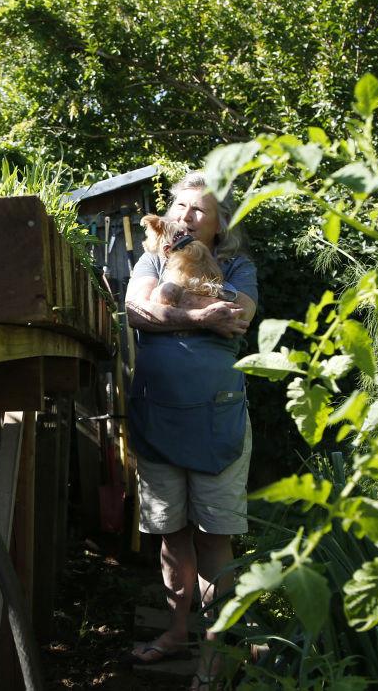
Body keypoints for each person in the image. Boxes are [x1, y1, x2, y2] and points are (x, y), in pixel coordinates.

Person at [123, 172, 258, 690]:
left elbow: (238, 319)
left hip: (216, 416)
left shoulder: (239, 266)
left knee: (214, 539)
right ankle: (177, 633)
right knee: (170, 536)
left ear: (221, 223)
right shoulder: (151, 259)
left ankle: (216, 651)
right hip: (158, 413)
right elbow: (139, 310)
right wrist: (203, 315)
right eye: (180, 206)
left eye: (199, 210)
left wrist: (172, 310)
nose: (185, 216)